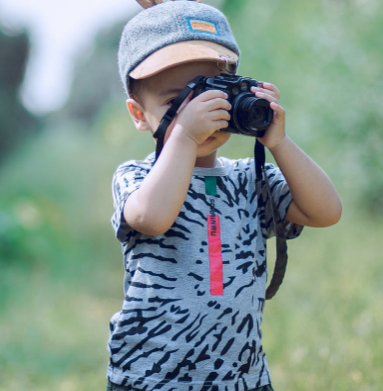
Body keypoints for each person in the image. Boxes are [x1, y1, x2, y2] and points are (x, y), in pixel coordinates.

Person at [108, 1, 342, 391]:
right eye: (175, 102)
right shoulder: (136, 177)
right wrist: (182, 136)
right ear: (138, 113)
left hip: (242, 379)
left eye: (210, 95)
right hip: (150, 377)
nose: (196, 114)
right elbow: (154, 217)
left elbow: (326, 211)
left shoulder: (250, 178)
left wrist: (279, 143)